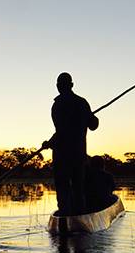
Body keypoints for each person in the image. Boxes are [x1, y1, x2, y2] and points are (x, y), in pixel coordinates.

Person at [42, 72, 98, 215]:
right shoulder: (82, 103)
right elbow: (93, 125)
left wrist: (50, 143)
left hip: (62, 155)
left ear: (58, 86)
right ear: (71, 85)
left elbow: (61, 131)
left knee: (63, 187)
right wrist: (92, 117)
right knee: (77, 187)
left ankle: (66, 213)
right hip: (77, 154)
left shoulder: (57, 105)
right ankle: (78, 215)